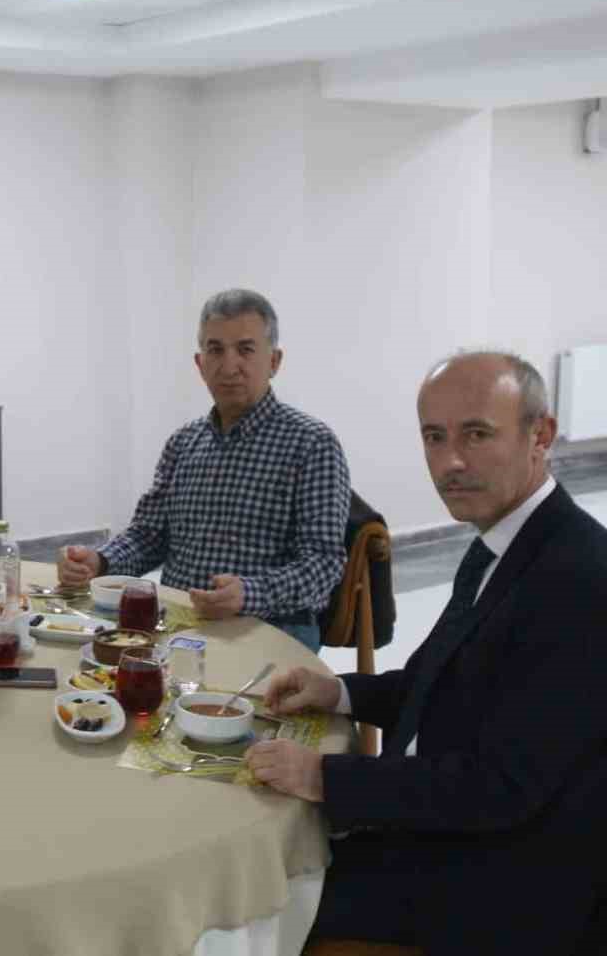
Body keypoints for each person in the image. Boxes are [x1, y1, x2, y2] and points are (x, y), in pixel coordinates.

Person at [247, 351, 607, 954]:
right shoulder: (502, 543)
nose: (450, 462)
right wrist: (339, 692)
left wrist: (323, 775)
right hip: (450, 828)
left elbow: (502, 787)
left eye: (477, 434)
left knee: (252, 902)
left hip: (506, 880)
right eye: (434, 437)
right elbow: (435, 682)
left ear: (540, 435)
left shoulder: (580, 578)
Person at [58, 289, 349, 649]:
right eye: (216, 350)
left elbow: (323, 564)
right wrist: (100, 561)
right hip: (177, 626)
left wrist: (248, 594)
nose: (228, 366)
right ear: (199, 364)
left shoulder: (312, 444)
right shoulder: (183, 443)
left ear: (274, 361)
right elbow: (149, 535)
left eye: (245, 349)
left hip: (270, 628)